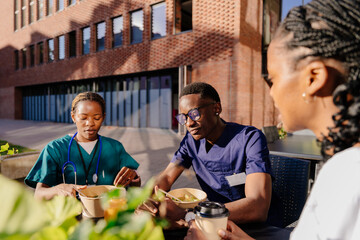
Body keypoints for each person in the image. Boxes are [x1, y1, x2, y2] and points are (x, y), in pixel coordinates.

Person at [185, 0, 360, 239]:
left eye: (274, 79)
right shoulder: (342, 167)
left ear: (314, 77)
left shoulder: (347, 173)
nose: (271, 93)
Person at [154, 82, 275, 226]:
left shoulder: (250, 138)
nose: (189, 123)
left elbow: (258, 207)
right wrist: (144, 198)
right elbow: (167, 177)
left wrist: (191, 215)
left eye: (194, 114)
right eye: (183, 118)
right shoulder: (191, 142)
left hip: (251, 225)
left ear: (216, 108)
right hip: (210, 220)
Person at [25, 92, 141, 200]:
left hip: (108, 215)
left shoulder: (115, 147)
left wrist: (134, 179)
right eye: (83, 118)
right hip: (71, 218)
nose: (90, 123)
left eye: (96, 118)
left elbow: (133, 187)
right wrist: (56, 189)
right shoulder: (55, 149)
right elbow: (39, 195)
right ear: (73, 117)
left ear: (103, 117)